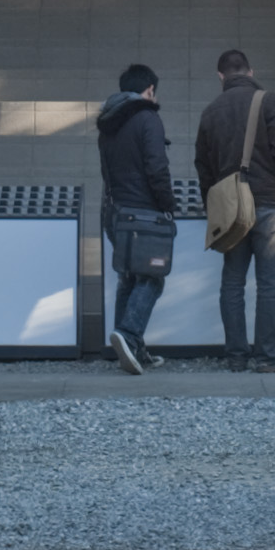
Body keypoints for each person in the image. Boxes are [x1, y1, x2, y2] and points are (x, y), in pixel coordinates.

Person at [193, 47, 275, 372]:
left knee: (232, 282)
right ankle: (267, 357)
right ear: (251, 72)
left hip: (231, 210)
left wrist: (213, 206)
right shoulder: (268, 101)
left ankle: (236, 356)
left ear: (221, 76)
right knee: (269, 285)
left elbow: (203, 167)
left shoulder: (210, 113)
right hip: (269, 202)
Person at [93, 63, 176, 373]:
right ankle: (128, 335)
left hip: (114, 211)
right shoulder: (148, 118)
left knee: (128, 277)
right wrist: (168, 204)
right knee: (152, 277)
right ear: (150, 90)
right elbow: (157, 167)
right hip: (142, 212)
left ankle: (131, 351)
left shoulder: (108, 122)